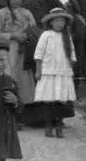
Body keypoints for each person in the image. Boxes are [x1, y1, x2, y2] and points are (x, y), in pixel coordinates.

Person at [0, 0, 39, 123]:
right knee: (8, 75)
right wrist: (13, 36)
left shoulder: (27, 13)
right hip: (8, 49)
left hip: (24, 49)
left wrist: (27, 36)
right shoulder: (1, 13)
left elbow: (34, 30)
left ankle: (22, 114)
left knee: (24, 77)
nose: (16, 0)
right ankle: (8, 113)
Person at [33, 7, 77, 137]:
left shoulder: (67, 36)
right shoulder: (46, 35)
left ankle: (59, 126)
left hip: (63, 73)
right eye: (57, 21)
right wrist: (38, 71)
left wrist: (70, 69)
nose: (59, 24)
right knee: (49, 100)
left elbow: (72, 54)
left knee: (61, 101)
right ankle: (48, 125)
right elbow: (39, 54)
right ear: (51, 22)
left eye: (62, 21)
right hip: (49, 72)